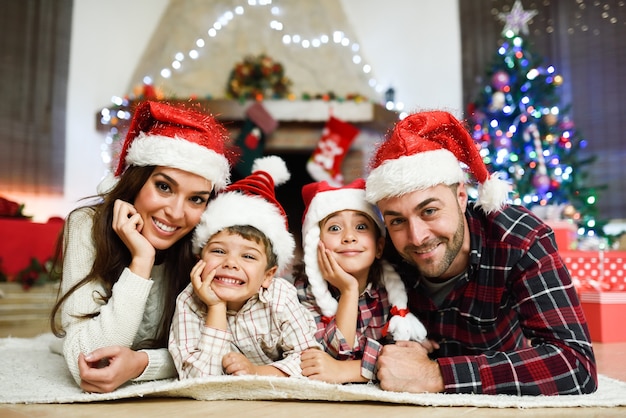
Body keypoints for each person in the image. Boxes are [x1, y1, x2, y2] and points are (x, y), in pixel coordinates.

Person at [364, 109, 597, 396]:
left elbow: (576, 365)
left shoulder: (518, 239)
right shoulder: (381, 252)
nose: (417, 236)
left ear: (461, 196)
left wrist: (437, 374)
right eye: (397, 220)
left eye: (430, 211)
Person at [50, 100, 232, 393]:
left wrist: (142, 364)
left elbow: (221, 348)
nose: (175, 212)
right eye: (164, 186)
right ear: (136, 180)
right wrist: (142, 260)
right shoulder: (86, 224)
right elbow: (86, 361)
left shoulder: (205, 242)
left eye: (196, 198)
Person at [169, 156, 321, 378]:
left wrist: (257, 372)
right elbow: (197, 379)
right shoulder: (188, 302)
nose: (230, 263)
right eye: (219, 251)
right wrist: (216, 308)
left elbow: (308, 361)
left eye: (248, 256)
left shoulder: (280, 296)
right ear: (199, 258)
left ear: (268, 276)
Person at [294, 178, 426, 384]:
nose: (349, 237)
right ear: (315, 246)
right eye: (335, 228)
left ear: (379, 247)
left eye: (361, 226)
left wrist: (347, 370)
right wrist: (349, 290)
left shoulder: (389, 290)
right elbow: (325, 357)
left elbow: (405, 360)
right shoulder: (300, 292)